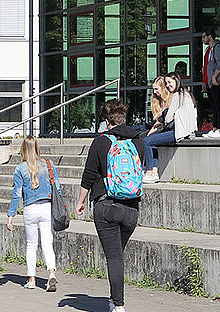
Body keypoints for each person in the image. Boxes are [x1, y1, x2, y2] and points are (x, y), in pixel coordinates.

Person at [75, 99, 147, 312]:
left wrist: (80, 201)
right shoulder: (138, 141)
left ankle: (118, 304)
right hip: (131, 209)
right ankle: (114, 298)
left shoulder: (101, 142)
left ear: (107, 121)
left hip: (106, 206)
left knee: (114, 256)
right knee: (117, 254)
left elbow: (89, 175)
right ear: (124, 118)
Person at [6, 136, 59, 292]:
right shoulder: (48, 165)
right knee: (47, 244)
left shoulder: (20, 168)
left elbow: (16, 194)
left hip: (30, 209)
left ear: (23, 149)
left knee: (31, 245)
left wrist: (11, 215)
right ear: (37, 147)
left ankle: (31, 279)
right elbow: (58, 189)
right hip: (46, 207)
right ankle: (51, 273)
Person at [143, 73, 197, 183]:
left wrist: (168, 115)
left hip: (178, 132)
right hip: (187, 131)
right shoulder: (186, 93)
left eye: (169, 82)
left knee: (147, 141)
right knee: (152, 142)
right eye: (166, 83)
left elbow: (167, 119)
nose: (168, 85)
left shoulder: (177, 95)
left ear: (176, 81)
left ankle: (149, 172)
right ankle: (154, 172)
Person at [201, 29, 220, 137]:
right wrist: (205, 82)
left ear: (210, 36)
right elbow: (206, 67)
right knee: (214, 106)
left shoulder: (218, 47)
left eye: (204, 36)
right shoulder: (208, 50)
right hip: (210, 83)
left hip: (218, 81)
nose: (203, 39)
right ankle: (215, 128)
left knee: (219, 105)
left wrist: (214, 76)